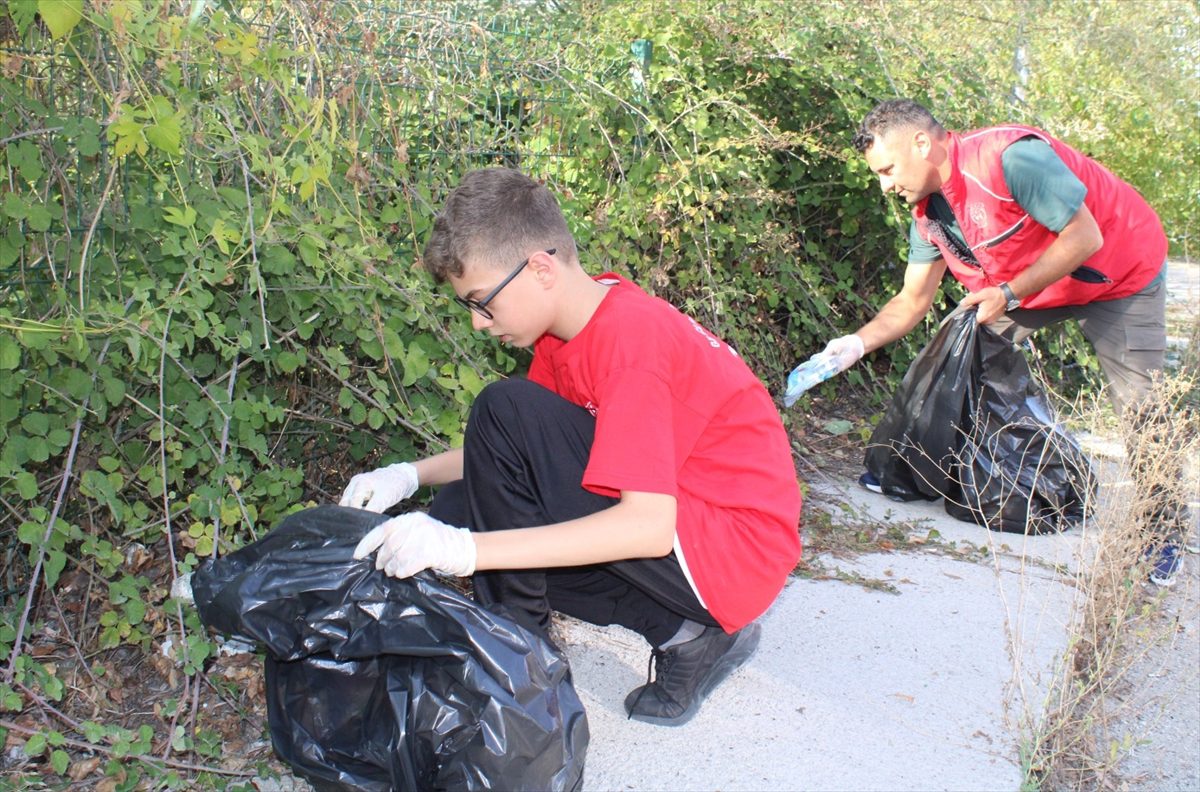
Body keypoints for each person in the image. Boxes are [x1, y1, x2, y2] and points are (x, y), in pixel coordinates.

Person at [339, 167, 803, 726]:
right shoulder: (571, 331)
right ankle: (684, 634)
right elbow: (506, 459)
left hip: (734, 550)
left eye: (483, 303)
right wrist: (408, 476)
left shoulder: (629, 340)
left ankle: (525, 675)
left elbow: (647, 526)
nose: (479, 324)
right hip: (693, 527)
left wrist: (468, 551)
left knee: (498, 429)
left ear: (539, 268)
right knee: (468, 504)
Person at [814, 98, 1184, 585]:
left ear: (922, 143)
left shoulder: (1011, 159)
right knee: (967, 351)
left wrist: (1008, 293)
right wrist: (855, 345)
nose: (885, 185)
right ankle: (959, 472)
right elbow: (910, 300)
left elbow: (1085, 238)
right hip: (1036, 285)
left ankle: (1163, 534)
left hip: (1118, 274)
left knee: (1142, 407)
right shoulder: (929, 214)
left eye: (887, 169)